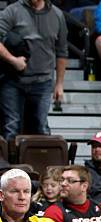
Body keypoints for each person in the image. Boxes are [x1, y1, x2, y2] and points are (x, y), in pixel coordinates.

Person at [0, 0, 68, 141]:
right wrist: (12, 59)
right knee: (11, 127)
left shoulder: (57, 15)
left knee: (40, 128)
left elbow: (62, 51)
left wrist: (59, 84)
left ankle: (41, 162)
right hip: (13, 80)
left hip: (43, 82)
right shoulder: (13, 11)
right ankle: (8, 163)